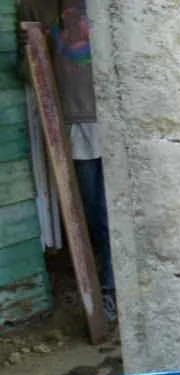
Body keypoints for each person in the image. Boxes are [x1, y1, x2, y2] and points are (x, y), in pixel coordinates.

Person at [17, 0, 115, 323]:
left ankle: (112, 290)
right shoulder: (36, 8)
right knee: (90, 213)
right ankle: (103, 286)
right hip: (73, 123)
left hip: (111, 118)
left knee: (110, 212)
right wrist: (35, 50)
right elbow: (26, 69)